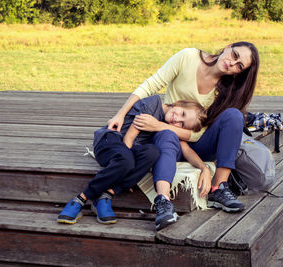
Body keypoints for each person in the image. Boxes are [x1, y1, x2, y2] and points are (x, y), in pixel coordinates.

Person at [107, 42, 260, 230]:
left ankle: (219, 188)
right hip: (166, 136)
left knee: (234, 115)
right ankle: (163, 201)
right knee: (166, 135)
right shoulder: (188, 57)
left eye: (239, 66)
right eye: (234, 55)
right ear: (228, 47)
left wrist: (159, 125)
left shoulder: (226, 91)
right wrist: (121, 114)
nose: (232, 63)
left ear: (238, 73)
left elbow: (201, 133)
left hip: (199, 143)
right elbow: (152, 84)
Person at [57, 95, 208, 225]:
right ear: (179, 103)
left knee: (152, 152)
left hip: (127, 152)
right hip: (111, 140)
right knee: (127, 160)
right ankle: (81, 198)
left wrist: (204, 168)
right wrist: (129, 174)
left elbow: (186, 150)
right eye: (182, 113)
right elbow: (128, 138)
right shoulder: (153, 104)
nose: (177, 120)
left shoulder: (165, 127)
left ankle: (108, 194)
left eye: (182, 124)